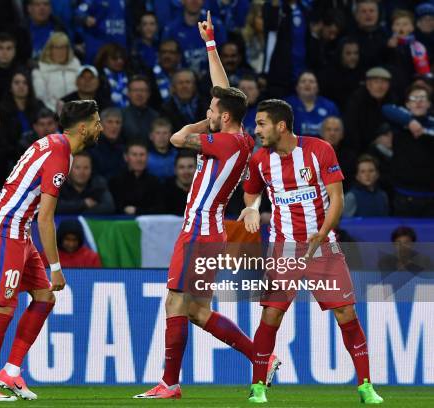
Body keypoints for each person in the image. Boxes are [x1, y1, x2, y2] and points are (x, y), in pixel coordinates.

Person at [135, 12, 272, 400]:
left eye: (212, 110)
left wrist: (199, 125)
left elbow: (177, 139)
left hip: (199, 229)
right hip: (211, 230)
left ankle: (170, 384)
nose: (207, 111)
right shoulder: (241, 135)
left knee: (175, 302)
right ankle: (262, 356)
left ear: (223, 117)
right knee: (196, 311)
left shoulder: (224, 142)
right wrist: (210, 44)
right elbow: (223, 91)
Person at [240, 99, 383, 403]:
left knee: (346, 313)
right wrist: (251, 208)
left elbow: (337, 199)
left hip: (323, 246)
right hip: (283, 248)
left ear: (281, 125)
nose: (257, 131)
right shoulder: (259, 160)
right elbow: (251, 192)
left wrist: (320, 234)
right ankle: (258, 387)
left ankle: (366, 385)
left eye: (262, 123)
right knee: (271, 315)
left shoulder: (319, 150)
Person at [0, 100, 102, 401]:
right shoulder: (60, 153)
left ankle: (11, 371)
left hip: (20, 229)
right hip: (6, 229)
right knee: (4, 305)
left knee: (44, 296)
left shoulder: (55, 144)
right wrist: (55, 267)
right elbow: (46, 217)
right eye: (95, 122)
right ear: (82, 127)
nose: (99, 128)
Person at [387, 84, 434, 217]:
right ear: (407, 104)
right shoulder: (398, 123)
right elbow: (387, 108)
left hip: (431, 196)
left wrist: (425, 131)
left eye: (422, 98)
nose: (418, 101)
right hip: (404, 195)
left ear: (429, 104)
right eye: (414, 98)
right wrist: (410, 122)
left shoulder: (431, 123)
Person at [162, 0, 226, 77]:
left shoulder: (215, 25)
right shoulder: (171, 29)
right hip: (181, 79)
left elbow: (224, 55)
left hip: (211, 78)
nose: (194, 1)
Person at [344, 66, 395, 152]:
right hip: (361, 149)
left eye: (384, 82)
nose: (380, 86)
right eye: (376, 82)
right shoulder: (356, 101)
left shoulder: (392, 99)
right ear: (368, 84)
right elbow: (352, 131)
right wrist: (374, 142)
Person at [108, 142, 162, 215]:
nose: (139, 159)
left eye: (142, 155)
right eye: (134, 155)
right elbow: (115, 208)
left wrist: (137, 211)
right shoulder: (115, 181)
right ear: (126, 157)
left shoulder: (155, 182)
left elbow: (160, 209)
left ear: (147, 157)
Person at [0, 69, 46, 148]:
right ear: (10, 87)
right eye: (17, 83)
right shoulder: (2, 109)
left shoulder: (38, 105)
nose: (21, 86)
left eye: (25, 83)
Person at [32, 32, 81, 111]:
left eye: (63, 47)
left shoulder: (77, 68)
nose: (60, 51)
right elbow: (41, 98)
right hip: (52, 115)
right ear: (49, 49)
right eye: (56, 48)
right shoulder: (40, 71)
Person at [285, 71, 339, 137]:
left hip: (322, 146)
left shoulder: (329, 106)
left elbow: (337, 131)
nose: (307, 84)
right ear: (297, 87)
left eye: (311, 81)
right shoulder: (287, 105)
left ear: (317, 87)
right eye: (303, 81)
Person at [319, 38, 363, 111]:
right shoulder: (328, 75)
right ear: (340, 54)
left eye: (356, 53)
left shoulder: (362, 73)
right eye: (348, 53)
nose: (353, 57)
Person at [88, 106, 125, 179]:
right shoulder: (92, 148)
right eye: (109, 122)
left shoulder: (124, 149)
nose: (114, 126)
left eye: (118, 122)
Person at [320, 116, 357, 188]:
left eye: (336, 130)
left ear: (342, 135)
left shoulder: (350, 156)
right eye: (328, 129)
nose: (332, 133)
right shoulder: (312, 153)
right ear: (322, 133)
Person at [121, 75, 159, 143]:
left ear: (148, 94)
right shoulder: (120, 115)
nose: (139, 94)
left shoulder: (156, 117)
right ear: (128, 94)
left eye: (142, 90)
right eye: (135, 90)